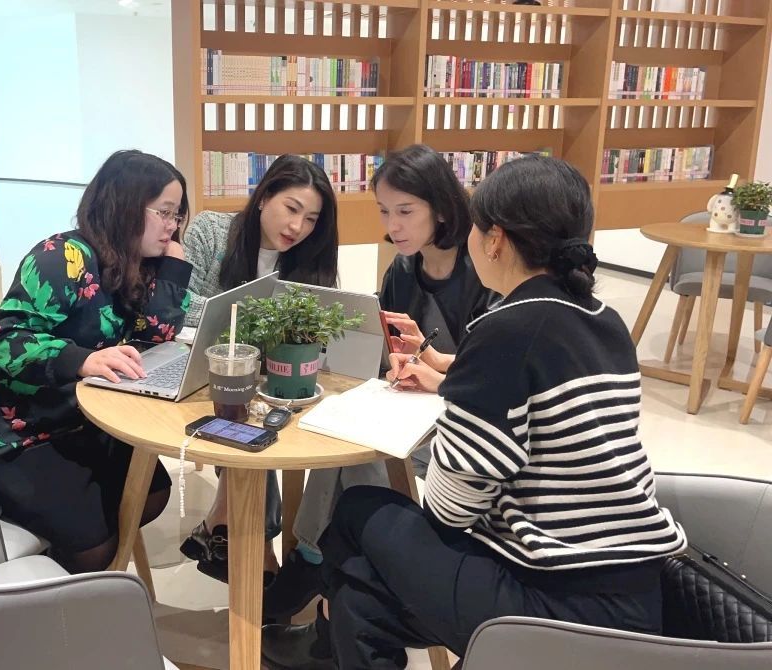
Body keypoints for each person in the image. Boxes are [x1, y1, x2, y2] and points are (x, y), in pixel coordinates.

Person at [261, 155, 688, 669]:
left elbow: (451, 508)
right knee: (361, 595)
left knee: (358, 512)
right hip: (636, 591)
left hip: (554, 596)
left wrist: (454, 410)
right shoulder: (604, 320)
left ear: (495, 240)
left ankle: (317, 612)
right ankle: (330, 629)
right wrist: (458, 376)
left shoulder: (507, 328)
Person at [263, 144, 492, 618]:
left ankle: (320, 567)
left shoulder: (483, 270)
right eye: (385, 211)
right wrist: (396, 367)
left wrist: (433, 370)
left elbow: (490, 370)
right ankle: (331, 575)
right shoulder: (403, 271)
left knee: (363, 458)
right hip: (415, 407)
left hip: (465, 419)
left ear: (441, 207)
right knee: (343, 429)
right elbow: (392, 353)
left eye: (405, 211)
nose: (393, 226)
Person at [0, 150, 193, 574]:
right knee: (93, 545)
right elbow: (6, 340)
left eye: (177, 215)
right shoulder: (60, 257)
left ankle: (80, 566)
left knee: (153, 495)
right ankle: (58, 582)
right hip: (17, 426)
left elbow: (155, 336)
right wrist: (82, 361)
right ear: (124, 205)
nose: (172, 226)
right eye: (164, 212)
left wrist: (173, 271)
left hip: (84, 417)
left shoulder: (141, 263)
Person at [179, 154, 339, 582]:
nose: (297, 227)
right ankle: (256, 546)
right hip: (208, 376)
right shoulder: (212, 231)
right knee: (245, 408)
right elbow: (179, 304)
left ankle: (224, 524)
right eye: (292, 208)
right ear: (265, 195)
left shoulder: (309, 259)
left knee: (266, 414)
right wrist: (260, 322)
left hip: (278, 380)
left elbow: (319, 330)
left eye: (311, 219)